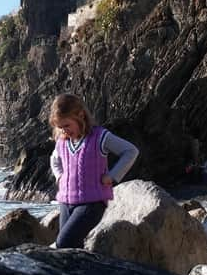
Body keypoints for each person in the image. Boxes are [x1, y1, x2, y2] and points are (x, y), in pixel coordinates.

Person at [49, 93, 139, 248]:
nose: (64, 131)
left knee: (63, 243)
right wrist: (59, 177)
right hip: (65, 202)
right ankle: (78, 272)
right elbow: (54, 160)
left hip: (92, 203)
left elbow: (130, 151)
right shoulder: (62, 141)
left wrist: (112, 176)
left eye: (67, 125)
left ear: (80, 116)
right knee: (71, 249)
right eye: (60, 127)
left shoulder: (99, 136)